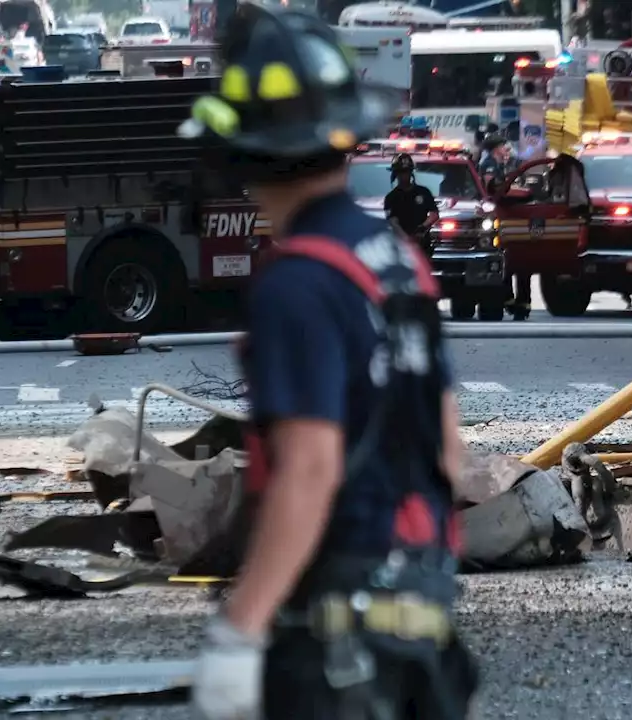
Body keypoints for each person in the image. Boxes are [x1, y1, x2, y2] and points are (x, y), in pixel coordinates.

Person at [177, 6, 476, 718]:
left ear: (244, 151)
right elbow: (451, 453)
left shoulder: (296, 284)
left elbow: (310, 472)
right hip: (422, 625)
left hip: (334, 644)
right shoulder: (395, 262)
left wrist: (240, 631)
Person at [384, 153, 440, 246]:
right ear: (395, 174)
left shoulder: (423, 192)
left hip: (422, 243)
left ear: (411, 172)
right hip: (402, 245)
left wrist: (423, 227)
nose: (404, 175)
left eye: (407, 171)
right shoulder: (391, 197)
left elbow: (434, 214)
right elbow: (393, 221)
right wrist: (406, 239)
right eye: (401, 172)